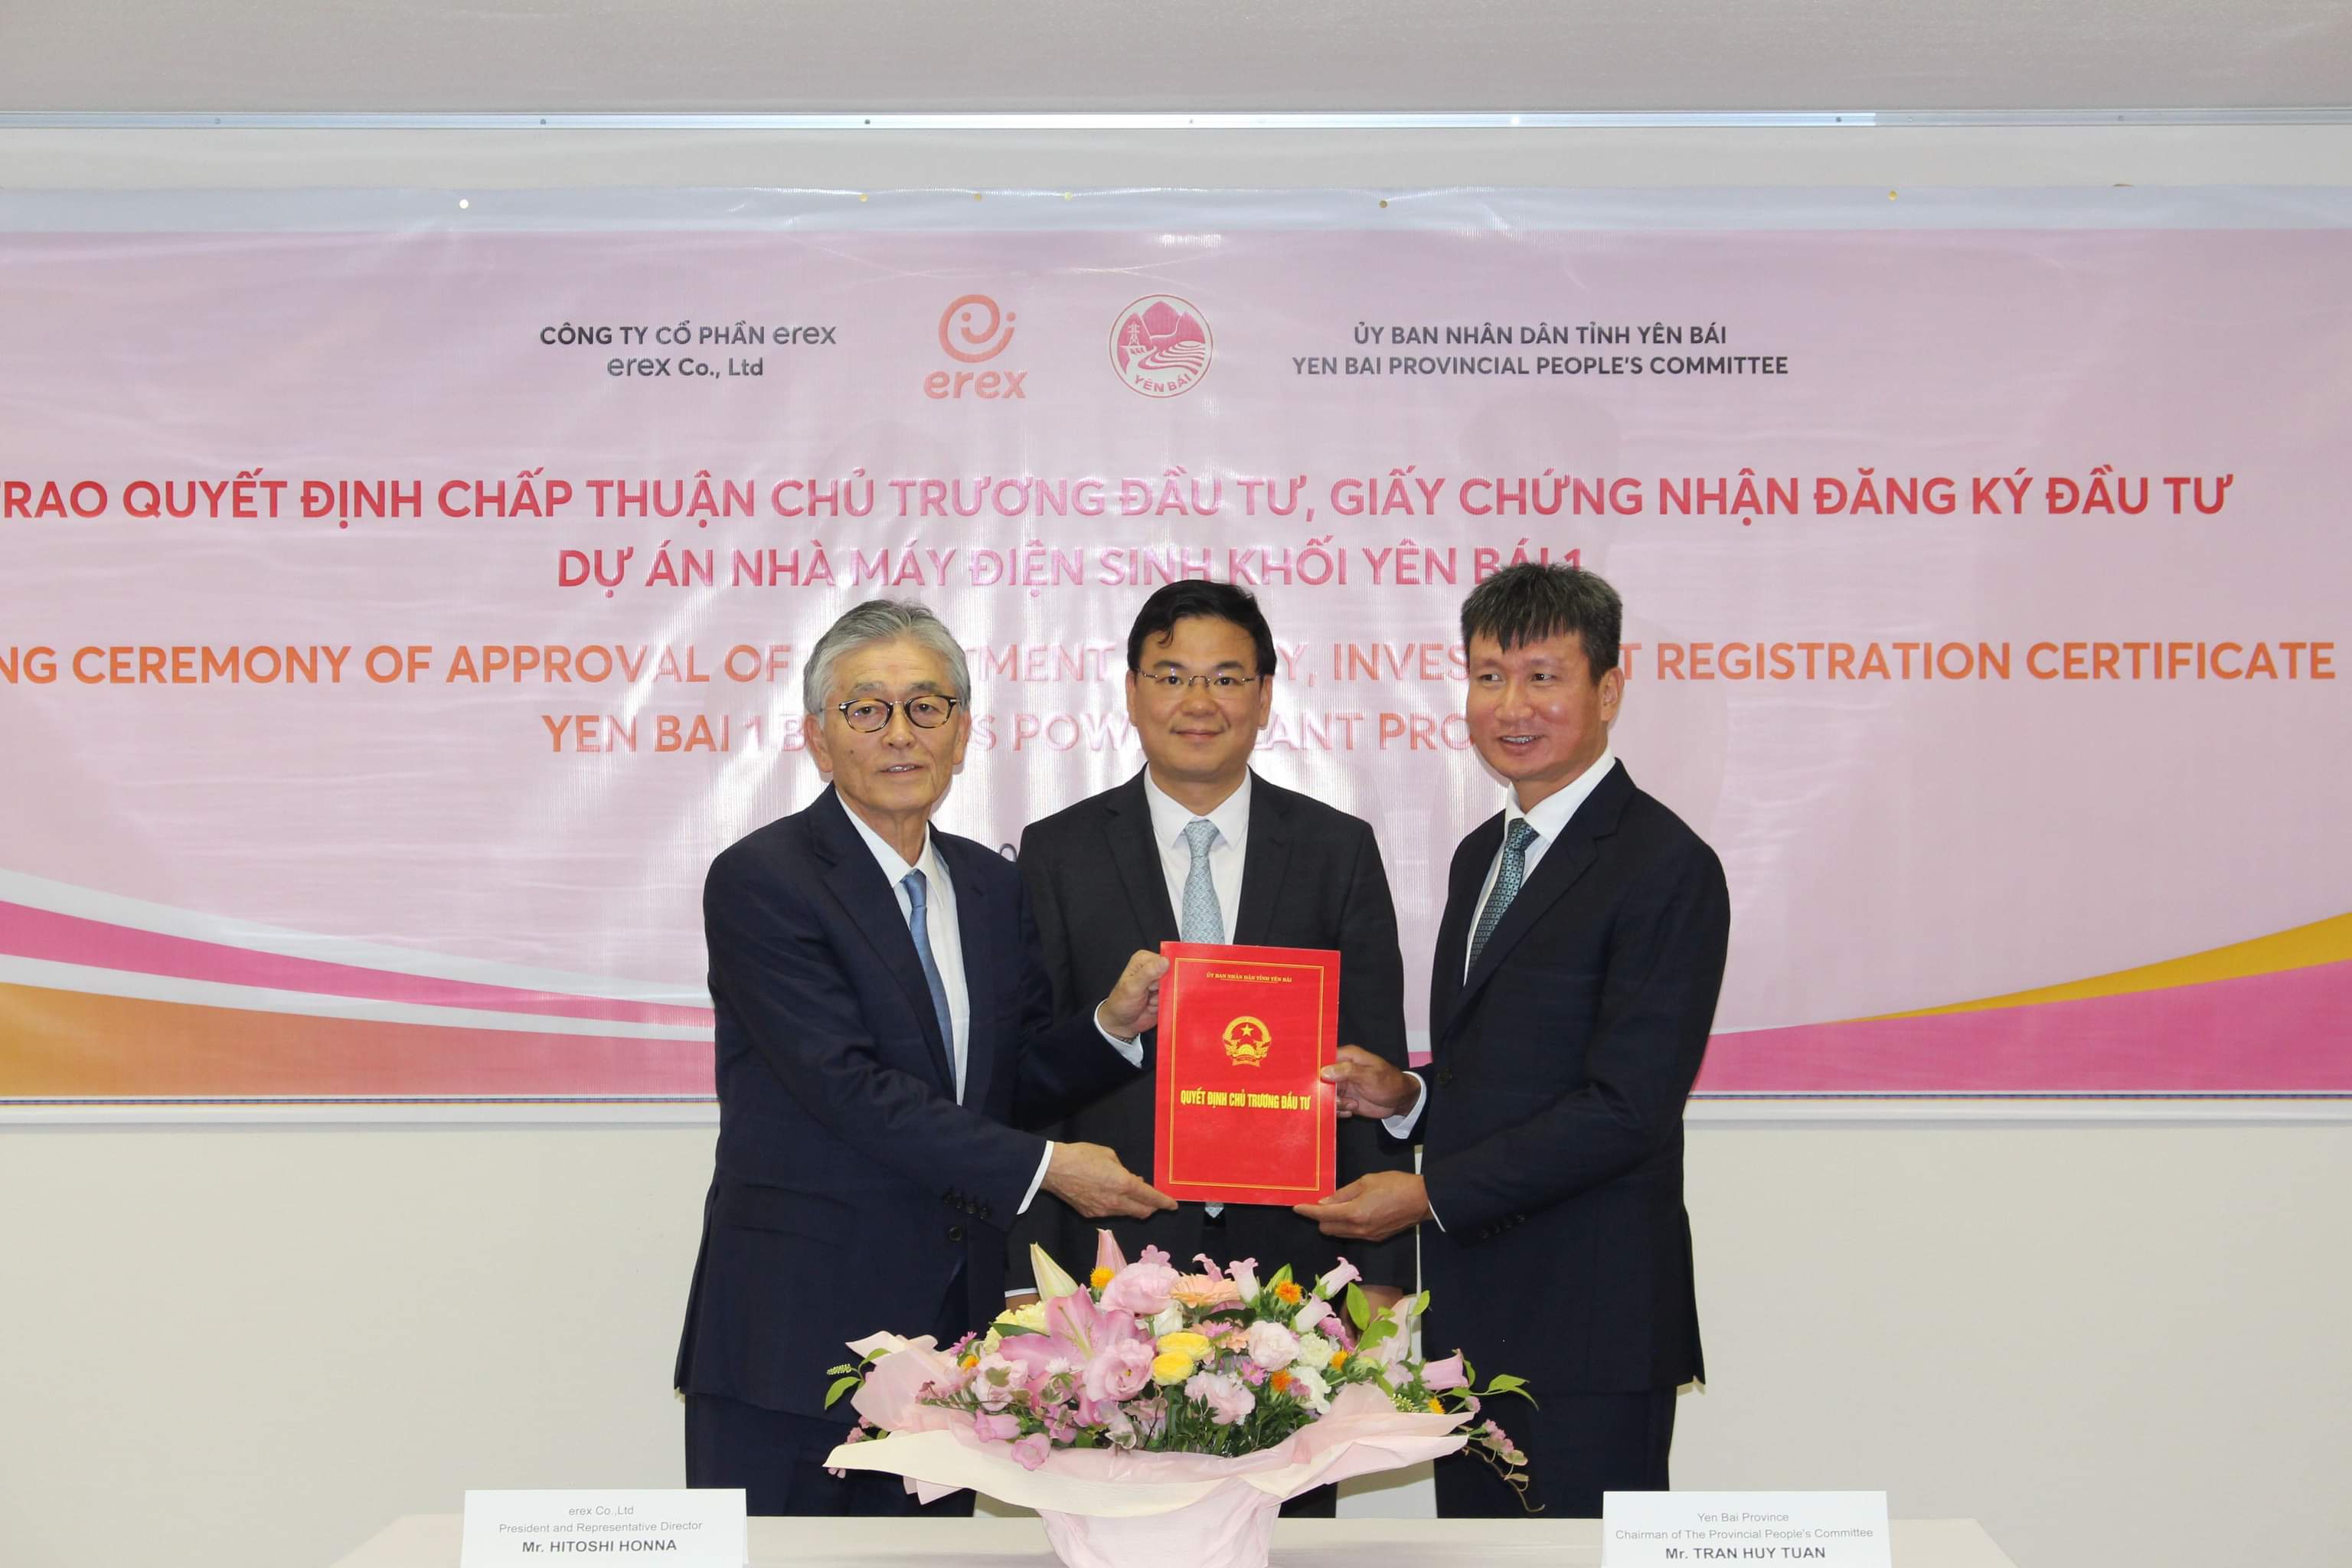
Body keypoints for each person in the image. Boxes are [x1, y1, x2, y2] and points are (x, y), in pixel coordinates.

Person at [674, 599, 1177, 1516]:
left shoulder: (990, 885)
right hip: (795, 1333)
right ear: (819, 737)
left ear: (962, 731)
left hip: (949, 1339)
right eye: (867, 708)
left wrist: (1111, 1023)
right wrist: (1050, 1168)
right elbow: (847, 1088)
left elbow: (1008, 1080)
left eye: (926, 706)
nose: (900, 733)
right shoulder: (765, 879)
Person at [1298, 563, 1731, 1518]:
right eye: (1489, 676)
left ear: (1608, 690)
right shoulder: (1483, 856)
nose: (1511, 705)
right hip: (1476, 1314)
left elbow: (1626, 1107)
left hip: (1591, 1318)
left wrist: (1428, 1193)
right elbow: (1500, 1069)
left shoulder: (1666, 865)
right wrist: (1409, 1095)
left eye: (1544, 676)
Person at [1005, 580, 1416, 1516]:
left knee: (1284, 1538)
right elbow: (1025, 1077)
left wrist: (1386, 1279)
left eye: (1227, 677)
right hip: (1112, 1275)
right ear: (1131, 691)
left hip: (1294, 1280)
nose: (1200, 701)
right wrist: (1109, 1026)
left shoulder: (1337, 849)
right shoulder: (1058, 851)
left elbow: (1378, 1074)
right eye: (1172, 676)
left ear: (1265, 695)